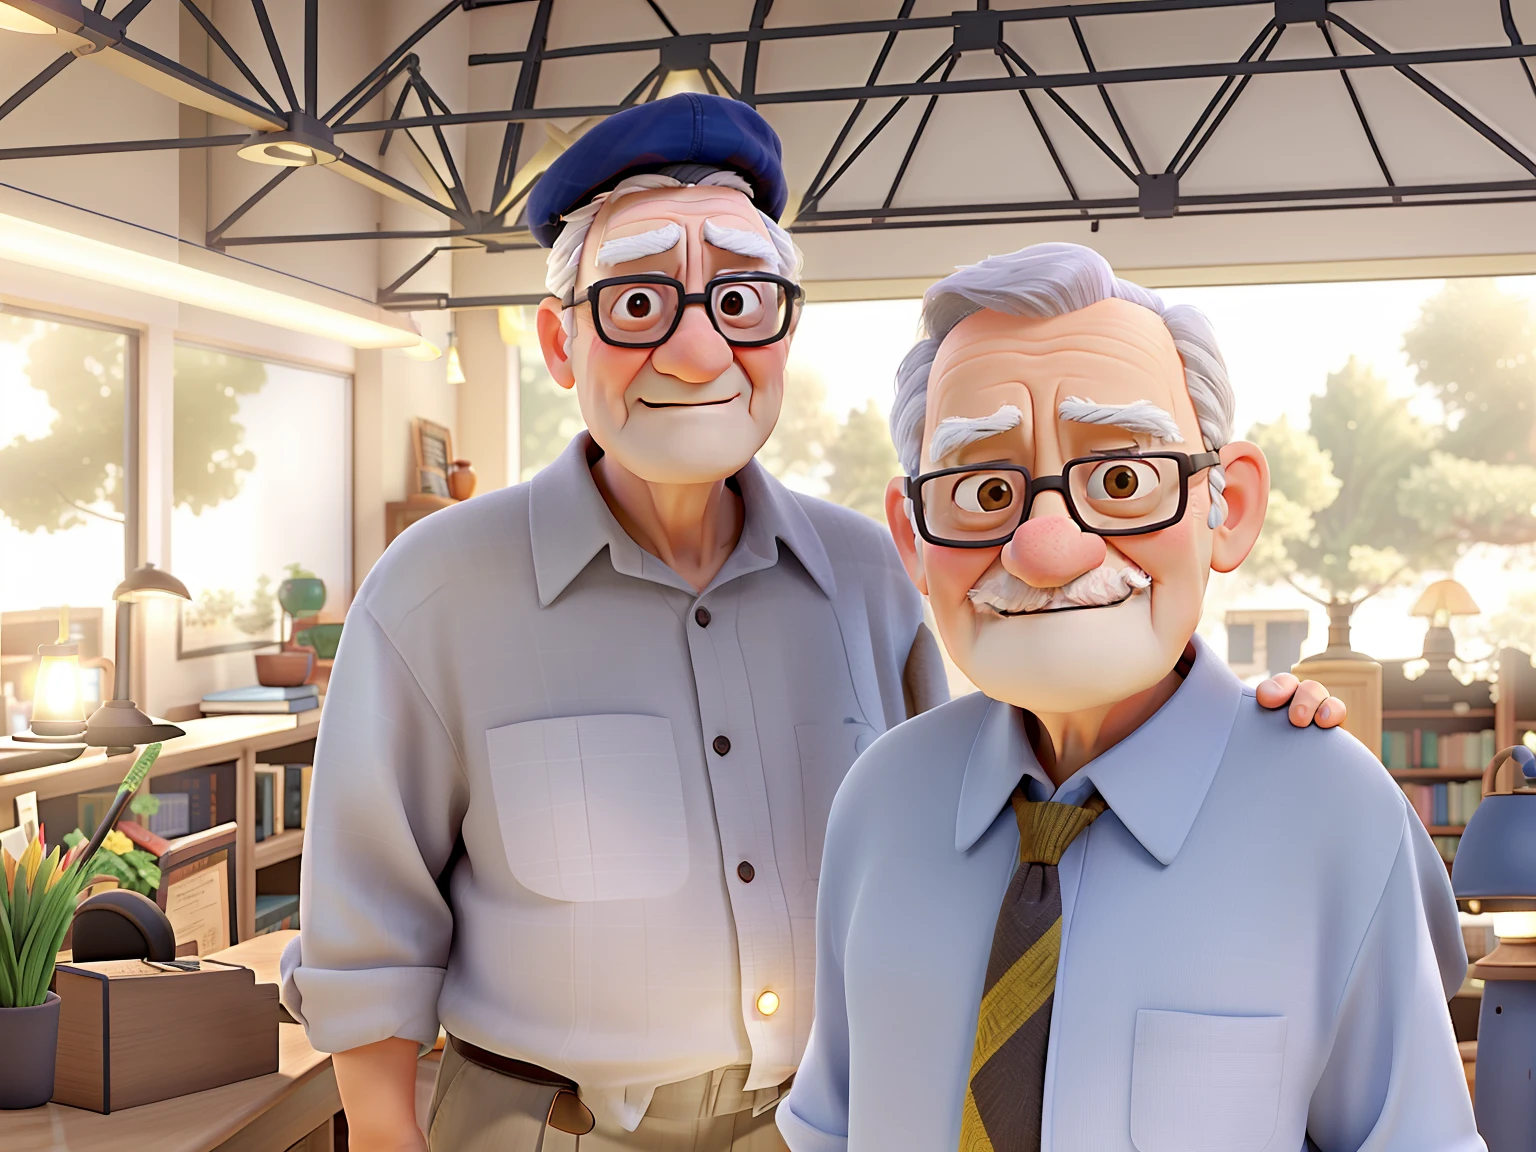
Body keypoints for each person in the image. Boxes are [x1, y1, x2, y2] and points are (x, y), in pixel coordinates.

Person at [278, 100, 1344, 1152]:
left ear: (782, 326)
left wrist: (1232, 727)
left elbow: (1018, 787)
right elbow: (368, 930)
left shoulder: (878, 574)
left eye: (740, 300)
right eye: (640, 304)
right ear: (560, 342)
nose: (699, 354)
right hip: (542, 1130)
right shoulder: (438, 589)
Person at [778, 243, 1478, 1152]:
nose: (1046, 551)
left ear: (1225, 505)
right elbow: (833, 1124)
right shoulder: (880, 803)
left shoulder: (1335, 812)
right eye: (986, 490)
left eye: (1119, 481)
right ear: (913, 537)